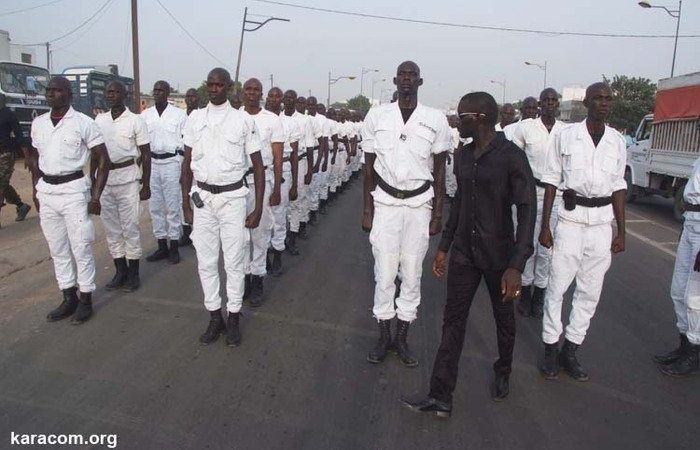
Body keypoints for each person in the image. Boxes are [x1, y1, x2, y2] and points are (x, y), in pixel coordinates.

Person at [403, 92, 535, 417]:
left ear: (480, 118)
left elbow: (527, 210)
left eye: (462, 116)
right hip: (464, 253)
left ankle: (503, 369)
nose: (457, 120)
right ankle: (440, 394)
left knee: (504, 321)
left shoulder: (512, 156)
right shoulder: (463, 155)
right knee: (453, 322)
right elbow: (460, 202)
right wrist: (444, 248)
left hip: (499, 257)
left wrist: (517, 265)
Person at [361, 60, 450, 367]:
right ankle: (383, 335)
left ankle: (402, 337)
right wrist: (367, 209)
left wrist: (438, 214)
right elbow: (368, 167)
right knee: (384, 272)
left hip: (418, 205)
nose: (407, 79)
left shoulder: (435, 119)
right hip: (385, 202)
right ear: (395, 80)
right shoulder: (377, 116)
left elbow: (439, 171)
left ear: (420, 82)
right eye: (402, 74)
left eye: (412, 75)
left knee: (411, 273)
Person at [538, 82, 626, 382]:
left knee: (590, 291)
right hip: (571, 220)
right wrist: (545, 226)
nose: (604, 103)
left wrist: (621, 231)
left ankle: (571, 348)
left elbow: (618, 187)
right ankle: (551, 346)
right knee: (557, 287)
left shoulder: (617, 141)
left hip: (601, 224)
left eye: (608, 99)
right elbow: (551, 181)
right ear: (586, 103)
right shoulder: (565, 136)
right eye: (598, 98)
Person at [181, 68, 264, 346]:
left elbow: (258, 166)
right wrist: (185, 202)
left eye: (220, 85)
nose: (214, 89)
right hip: (202, 198)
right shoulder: (194, 118)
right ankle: (214, 315)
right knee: (205, 262)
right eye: (211, 84)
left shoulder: (242, 120)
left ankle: (234, 316)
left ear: (230, 88)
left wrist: (258, 208)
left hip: (233, 200)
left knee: (234, 261)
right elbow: (187, 162)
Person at [29, 77, 110, 324]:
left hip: (74, 190)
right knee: (58, 249)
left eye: (57, 90)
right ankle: (68, 296)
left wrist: (96, 196)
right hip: (47, 191)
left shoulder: (84, 123)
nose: (51, 94)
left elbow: (103, 160)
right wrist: (35, 189)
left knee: (80, 246)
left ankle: (85, 298)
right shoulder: (39, 123)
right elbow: (33, 155)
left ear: (69, 94)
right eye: (48, 90)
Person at [511, 88, 564, 318]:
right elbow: (515, 159)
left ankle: (540, 295)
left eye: (554, 100)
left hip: (557, 195)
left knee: (547, 249)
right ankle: (524, 291)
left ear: (558, 104)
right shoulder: (526, 128)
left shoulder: (566, 131)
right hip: (530, 191)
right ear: (540, 104)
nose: (550, 104)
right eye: (546, 100)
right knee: (526, 244)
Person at [94, 81, 151, 292]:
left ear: (124, 95)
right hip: (105, 180)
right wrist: (94, 186)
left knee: (130, 227)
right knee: (111, 229)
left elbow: (145, 154)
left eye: (116, 91)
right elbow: (95, 153)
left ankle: (133, 273)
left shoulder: (135, 120)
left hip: (128, 179)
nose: (111, 95)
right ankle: (120, 271)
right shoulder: (99, 120)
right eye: (108, 91)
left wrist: (146, 184)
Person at [654, 157, 700, 376]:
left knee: (695, 297)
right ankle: (684, 344)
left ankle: (694, 350)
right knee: (678, 290)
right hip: (691, 221)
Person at [241, 78, 285, 306]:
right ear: (242, 92)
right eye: (248, 89)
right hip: (238, 182)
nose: (252, 93)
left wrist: (277, 187)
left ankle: (257, 278)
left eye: (256, 89)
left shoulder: (272, 120)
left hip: (263, 180)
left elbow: (278, 157)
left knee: (260, 232)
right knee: (240, 236)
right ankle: (244, 278)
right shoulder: (235, 117)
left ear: (262, 93)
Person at [141, 81, 187, 264]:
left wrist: (183, 168)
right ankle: (161, 245)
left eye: (161, 90)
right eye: (155, 90)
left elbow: (185, 143)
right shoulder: (145, 115)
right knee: (155, 207)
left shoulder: (179, 115)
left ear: (168, 93)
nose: (157, 93)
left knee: (173, 205)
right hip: (152, 162)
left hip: (171, 162)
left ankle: (174, 245)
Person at [266, 86, 300, 274]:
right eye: (271, 96)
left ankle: (278, 254)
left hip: (284, 168)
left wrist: (295, 183)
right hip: (264, 170)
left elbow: (294, 155)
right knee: (264, 217)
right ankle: (263, 257)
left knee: (279, 215)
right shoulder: (258, 119)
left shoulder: (290, 123)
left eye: (277, 96)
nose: (274, 98)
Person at [0, 93, 32, 225]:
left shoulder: (9, 115)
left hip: (6, 153)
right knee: (3, 184)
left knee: (0, 184)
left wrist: (26, 156)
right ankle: (21, 206)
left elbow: (19, 135)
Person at [180, 88, 200, 247]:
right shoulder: (179, 116)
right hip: (180, 159)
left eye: (193, 96)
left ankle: (197, 233)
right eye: (188, 96)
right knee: (182, 197)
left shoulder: (200, 117)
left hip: (197, 162)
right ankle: (186, 232)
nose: (190, 99)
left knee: (197, 199)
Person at [293, 95, 315, 238]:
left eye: (303, 103)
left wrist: (309, 170)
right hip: (283, 164)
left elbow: (309, 147)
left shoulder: (306, 121)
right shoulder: (280, 118)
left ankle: (297, 230)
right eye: (298, 102)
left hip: (300, 162)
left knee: (299, 198)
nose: (301, 105)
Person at [305, 96, 327, 225]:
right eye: (309, 105)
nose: (310, 107)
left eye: (313, 105)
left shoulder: (322, 120)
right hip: (305, 156)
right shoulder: (304, 118)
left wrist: (319, 161)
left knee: (314, 187)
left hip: (316, 153)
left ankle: (312, 213)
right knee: (305, 189)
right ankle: (304, 215)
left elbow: (323, 143)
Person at [445, 115, 459, 201]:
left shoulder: (460, 130)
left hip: (459, 155)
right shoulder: (448, 131)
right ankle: (450, 194)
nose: (457, 122)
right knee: (450, 176)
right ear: (450, 121)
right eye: (455, 120)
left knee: (456, 176)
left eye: (458, 120)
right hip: (450, 155)